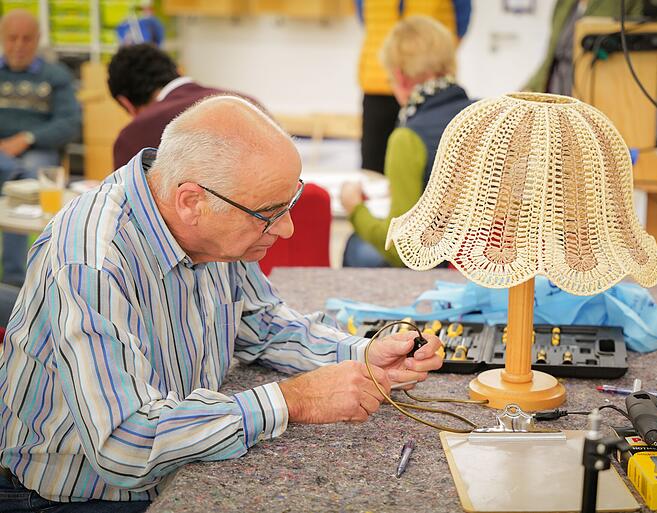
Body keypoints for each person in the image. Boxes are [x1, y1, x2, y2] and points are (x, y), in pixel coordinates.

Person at [0, 95, 444, 511]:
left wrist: (362, 354)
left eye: (288, 203)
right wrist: (291, 401)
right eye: (270, 212)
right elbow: (124, 444)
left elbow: (263, 323)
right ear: (192, 201)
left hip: (176, 465)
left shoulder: (213, 229)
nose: (287, 229)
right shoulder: (91, 263)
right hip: (75, 496)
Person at [341, 16, 473, 267]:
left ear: (400, 77)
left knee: (356, 245)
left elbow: (403, 250)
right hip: (485, 263)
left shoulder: (407, 138)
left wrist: (355, 209)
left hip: (439, 267)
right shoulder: (486, 113)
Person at [0, 9, 81, 286]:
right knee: (17, 172)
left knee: (30, 173)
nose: (19, 46)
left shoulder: (55, 75)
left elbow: (70, 123)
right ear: (2, 38)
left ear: (38, 40)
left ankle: (15, 277)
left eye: (26, 39)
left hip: (37, 148)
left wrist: (27, 137)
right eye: (12, 38)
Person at [108, 43, 269, 169]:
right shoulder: (247, 104)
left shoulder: (135, 134)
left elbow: (126, 206)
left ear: (126, 103)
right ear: (177, 70)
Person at [356, 0, 471, 173]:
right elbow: (366, 19)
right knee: (375, 168)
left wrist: (424, 62)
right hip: (378, 85)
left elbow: (461, 22)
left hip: (428, 80)